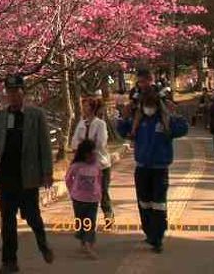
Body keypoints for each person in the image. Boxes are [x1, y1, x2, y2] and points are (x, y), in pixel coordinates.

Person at [0, 75, 55, 273]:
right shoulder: (0, 118)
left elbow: (44, 145)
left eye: (16, 92)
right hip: (6, 177)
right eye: (9, 92)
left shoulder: (36, 115)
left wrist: (47, 172)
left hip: (28, 177)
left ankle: (43, 245)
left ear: (23, 93)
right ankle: (9, 262)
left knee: (33, 217)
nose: (13, 96)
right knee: (8, 222)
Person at [117, 86, 188, 253]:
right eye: (145, 105)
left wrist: (175, 113)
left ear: (157, 105)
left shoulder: (165, 120)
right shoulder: (138, 121)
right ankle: (149, 232)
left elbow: (182, 129)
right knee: (144, 203)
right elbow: (123, 131)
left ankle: (158, 237)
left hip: (159, 169)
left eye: (151, 105)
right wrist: (124, 116)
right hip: (142, 169)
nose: (149, 108)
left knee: (159, 204)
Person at [71, 96, 114, 228]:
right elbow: (74, 143)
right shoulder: (81, 124)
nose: (84, 108)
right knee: (86, 193)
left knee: (102, 191)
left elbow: (101, 143)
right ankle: (86, 222)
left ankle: (108, 216)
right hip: (84, 166)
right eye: (83, 106)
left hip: (100, 164)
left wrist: (86, 147)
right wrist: (83, 149)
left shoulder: (100, 124)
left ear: (93, 108)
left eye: (86, 106)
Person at [65, 139, 102, 260]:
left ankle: (88, 244)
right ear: (85, 154)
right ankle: (83, 240)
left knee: (90, 222)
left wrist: (100, 192)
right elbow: (68, 179)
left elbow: (99, 179)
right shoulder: (76, 166)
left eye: (95, 153)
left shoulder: (96, 165)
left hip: (93, 200)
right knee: (80, 221)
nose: (94, 156)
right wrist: (72, 192)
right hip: (79, 199)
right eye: (91, 154)